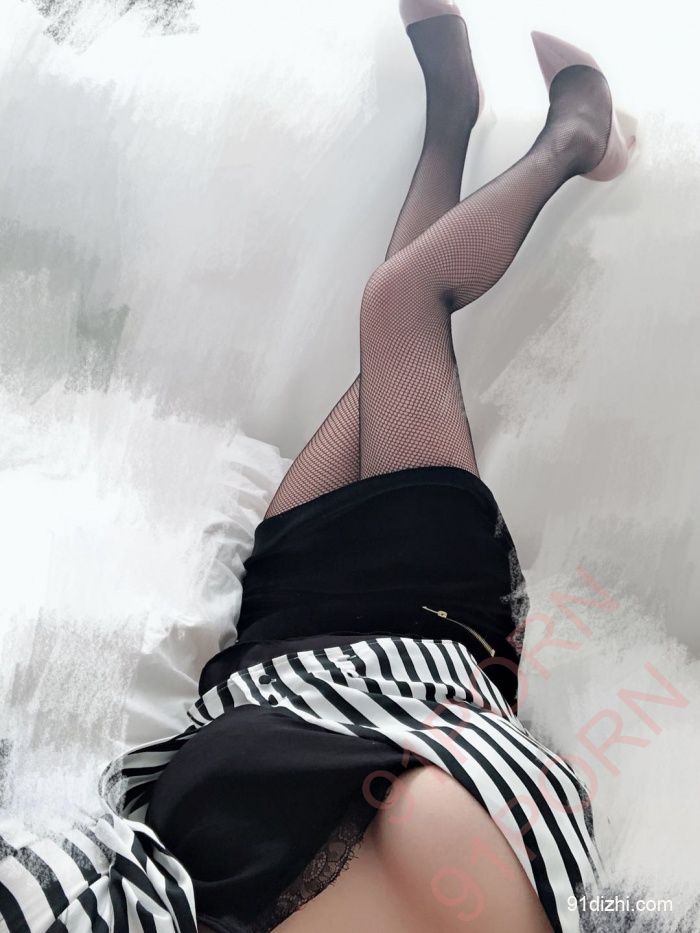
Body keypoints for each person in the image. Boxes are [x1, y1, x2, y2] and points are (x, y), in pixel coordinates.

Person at [0, 2, 634, 932]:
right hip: (421, 638)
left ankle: (453, 119)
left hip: (275, 638)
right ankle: (575, 139)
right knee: (400, 306)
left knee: (389, 341)